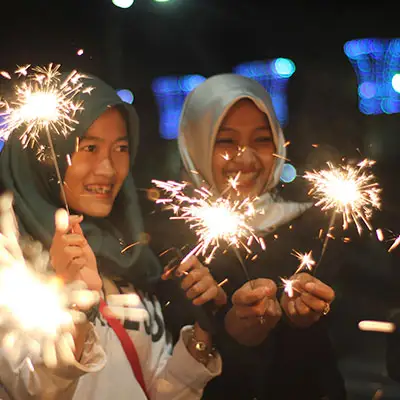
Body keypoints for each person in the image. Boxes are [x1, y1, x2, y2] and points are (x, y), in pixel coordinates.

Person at [147, 73, 399, 399]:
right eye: (226, 141)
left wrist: (311, 316)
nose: (247, 158)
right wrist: (229, 327)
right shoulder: (172, 240)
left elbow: (361, 325)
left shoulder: (313, 226)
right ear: (195, 141)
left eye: (261, 140)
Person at [0, 73, 225, 399]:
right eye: (88, 147)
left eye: (120, 148)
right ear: (45, 153)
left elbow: (155, 389)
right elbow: (35, 388)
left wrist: (204, 330)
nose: (108, 168)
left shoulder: (129, 250)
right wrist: (75, 303)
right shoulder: (10, 252)